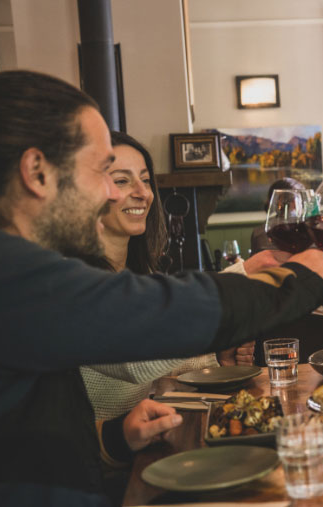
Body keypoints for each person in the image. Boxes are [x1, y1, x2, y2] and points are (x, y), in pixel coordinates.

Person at [0, 70, 323, 506]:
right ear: (37, 171)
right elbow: (157, 312)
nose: (110, 191)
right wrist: (297, 280)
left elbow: (21, 442)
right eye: (103, 170)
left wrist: (118, 439)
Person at [79, 131, 240, 420]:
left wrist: (218, 356)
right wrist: (244, 277)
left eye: (144, 179)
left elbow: (162, 361)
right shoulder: (78, 284)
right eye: (122, 180)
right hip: (91, 460)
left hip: (134, 449)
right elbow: (137, 356)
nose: (143, 192)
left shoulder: (140, 275)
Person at [250, 177, 306, 255]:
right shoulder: (306, 232)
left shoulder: (259, 231)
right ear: (294, 202)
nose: (301, 203)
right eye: (300, 199)